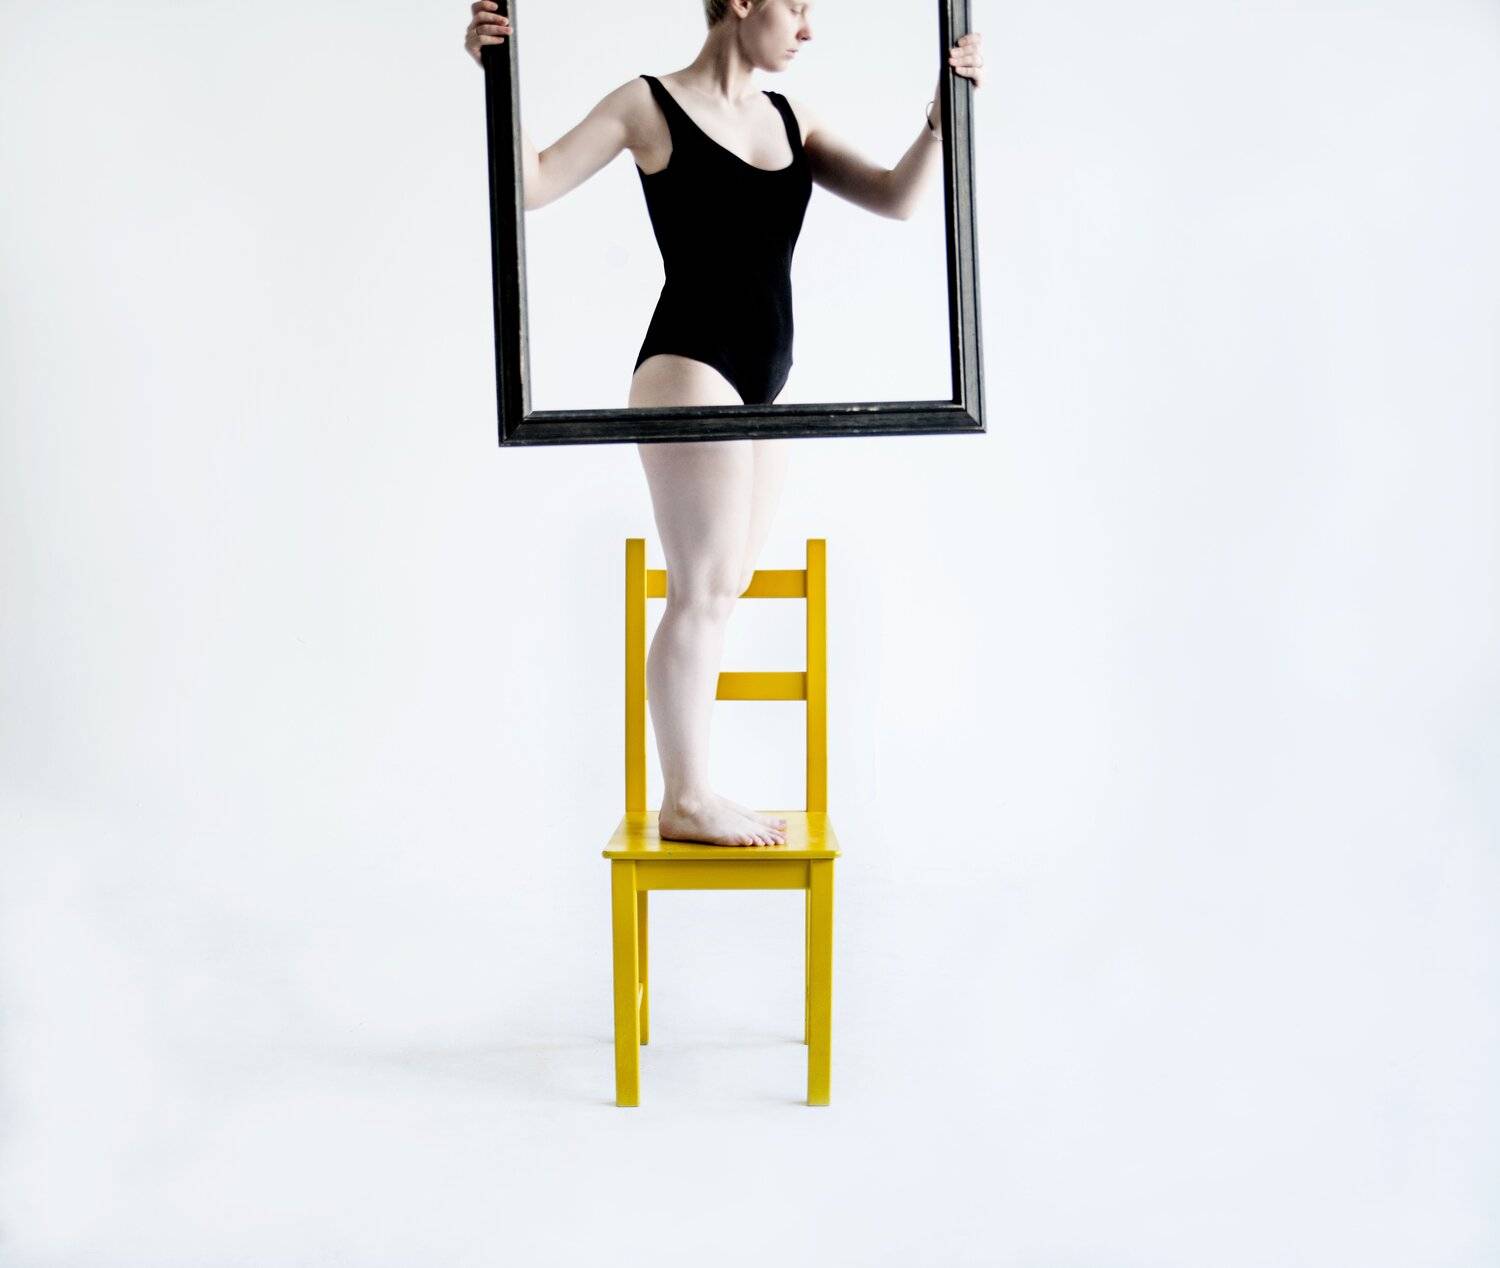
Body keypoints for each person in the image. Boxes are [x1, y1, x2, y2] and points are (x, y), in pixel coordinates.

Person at [465, 0, 984, 846]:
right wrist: (499, 73)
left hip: (763, 390)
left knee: (724, 585)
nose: (808, 30)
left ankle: (695, 789)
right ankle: (687, 798)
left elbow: (897, 198)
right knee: (701, 589)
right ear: (742, 1)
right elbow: (532, 183)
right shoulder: (647, 104)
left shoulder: (792, 117)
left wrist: (939, 117)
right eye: (797, 7)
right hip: (689, 366)